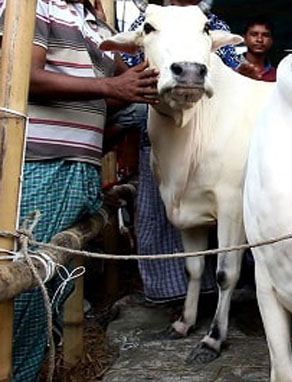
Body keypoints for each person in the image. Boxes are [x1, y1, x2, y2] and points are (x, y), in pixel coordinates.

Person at [0, 0, 158, 379]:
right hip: (40, 162)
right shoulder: (37, 5)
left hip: (80, 165)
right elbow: (23, 74)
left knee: (54, 284)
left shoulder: (93, 22)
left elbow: (131, 81)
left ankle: (32, 369)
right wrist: (110, 85)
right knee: (27, 285)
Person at [122, 0, 243, 303]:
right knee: (160, 216)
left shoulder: (213, 23)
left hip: (205, 134)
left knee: (216, 207)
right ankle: (167, 296)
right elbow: (128, 65)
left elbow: (227, 75)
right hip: (161, 133)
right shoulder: (147, 21)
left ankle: (205, 296)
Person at [122, 0, 242, 70]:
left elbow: (232, 67)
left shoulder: (217, 25)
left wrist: (240, 75)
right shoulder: (147, 22)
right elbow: (127, 72)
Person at [236, 16, 277, 82]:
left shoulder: (277, 76)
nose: (259, 39)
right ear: (244, 38)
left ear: (271, 40)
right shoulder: (230, 68)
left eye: (265, 35)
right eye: (254, 34)